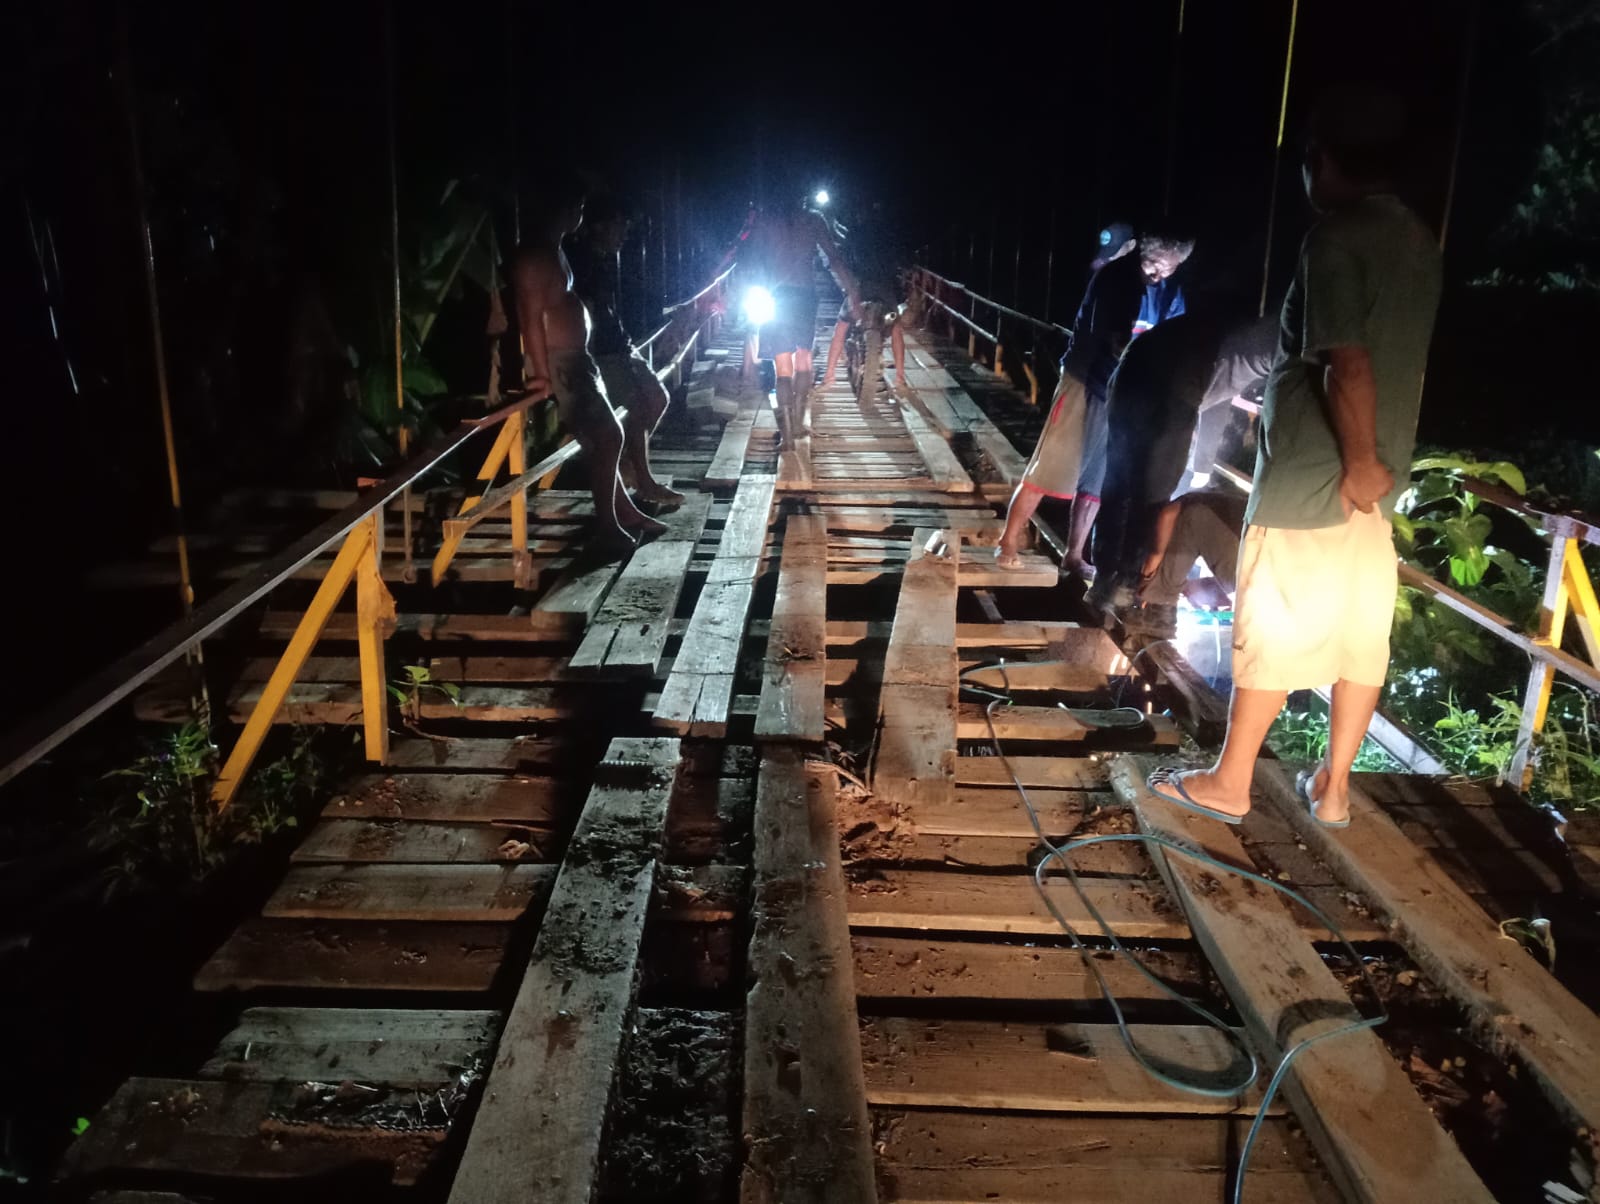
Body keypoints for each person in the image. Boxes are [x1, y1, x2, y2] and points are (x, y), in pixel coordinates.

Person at [1146, 84, 1442, 830]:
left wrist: (1356, 460)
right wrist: (1376, 471)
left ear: (1325, 159)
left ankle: (1229, 782)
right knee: (1355, 635)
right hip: (1375, 496)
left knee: (1272, 627)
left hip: (1317, 479)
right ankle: (1334, 789)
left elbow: (1350, 363)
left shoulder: (1334, 240)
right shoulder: (1417, 240)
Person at [994, 230, 1194, 571]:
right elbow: (1113, 339)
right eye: (1156, 264)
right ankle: (1008, 540)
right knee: (1052, 465)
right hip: (1086, 380)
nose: (1161, 273)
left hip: (1121, 394)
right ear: (1144, 253)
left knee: (1099, 479)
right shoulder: (1118, 279)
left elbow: (1175, 338)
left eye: (1170, 268)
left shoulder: (1169, 291)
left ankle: (1074, 555)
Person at [508, 172, 667, 560]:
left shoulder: (555, 248)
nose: (580, 212)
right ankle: (608, 527)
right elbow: (530, 318)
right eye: (577, 206)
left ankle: (623, 513)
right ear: (558, 209)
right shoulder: (532, 257)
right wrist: (542, 375)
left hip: (579, 358)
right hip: (562, 365)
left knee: (606, 435)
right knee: (607, 435)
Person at [1090, 311, 1277, 613]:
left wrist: (1201, 462)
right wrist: (1201, 466)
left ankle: (1104, 578)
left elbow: (1216, 396)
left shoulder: (1232, 329)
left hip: (1132, 371)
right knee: (1151, 496)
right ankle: (1131, 585)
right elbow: (1214, 399)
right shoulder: (1277, 341)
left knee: (1118, 481)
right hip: (1171, 386)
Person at [565, 192, 685, 508]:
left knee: (658, 397)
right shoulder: (577, 261)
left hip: (620, 342)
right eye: (619, 226)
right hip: (600, 350)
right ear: (599, 227)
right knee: (634, 406)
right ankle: (643, 481)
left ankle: (631, 468)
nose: (624, 234)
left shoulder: (606, 259)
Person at [743, 195, 847, 446]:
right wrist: (850, 288)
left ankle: (788, 437)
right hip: (804, 295)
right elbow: (833, 257)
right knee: (803, 359)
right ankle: (798, 426)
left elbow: (750, 257)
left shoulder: (766, 220)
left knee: (782, 368)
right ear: (803, 196)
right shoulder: (813, 219)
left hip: (775, 294)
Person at [1121, 489, 1250, 639]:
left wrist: (1148, 574)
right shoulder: (1224, 502)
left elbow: (1168, 515)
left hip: (1259, 575)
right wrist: (1205, 587)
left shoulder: (1192, 500)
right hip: (1271, 586)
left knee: (1192, 516)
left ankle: (1158, 608)